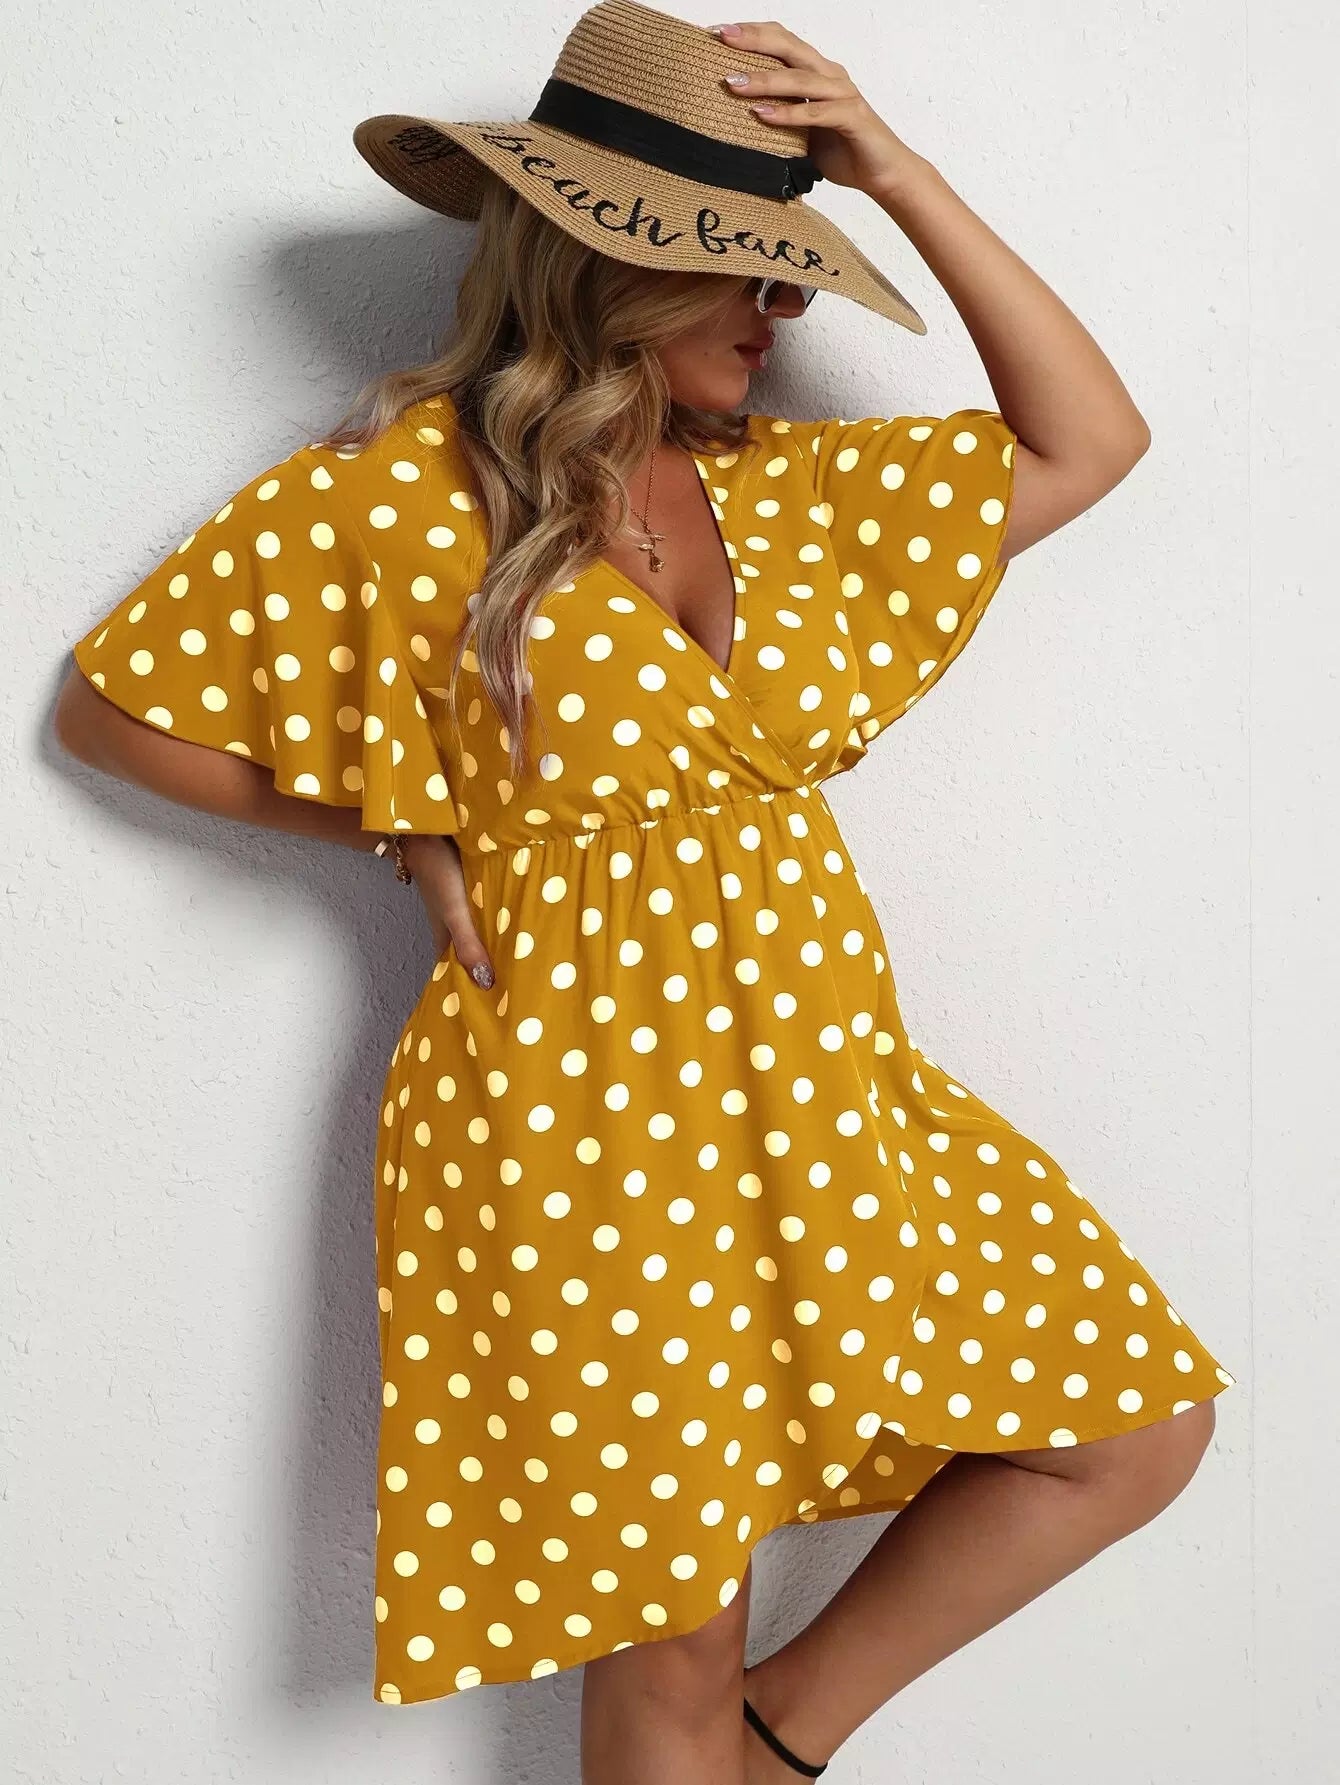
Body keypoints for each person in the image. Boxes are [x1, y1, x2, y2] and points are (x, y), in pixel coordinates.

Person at [54, 4, 1235, 1780]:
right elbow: (111, 713)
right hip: (577, 1119)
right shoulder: (395, 499)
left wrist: (894, 171)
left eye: (793, 269)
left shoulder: (799, 498)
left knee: (1132, 1426)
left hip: (825, 1094)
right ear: (615, 262)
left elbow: (1090, 440)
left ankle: (772, 1742)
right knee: (674, 1636)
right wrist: (403, 822)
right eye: (749, 271)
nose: (784, 313)